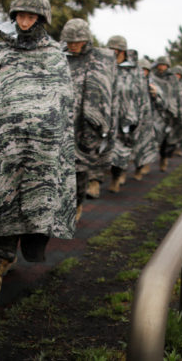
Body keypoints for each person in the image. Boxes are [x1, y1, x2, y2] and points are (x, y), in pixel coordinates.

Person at [0, 0, 76, 301]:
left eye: (31, 16)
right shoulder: (1, 54)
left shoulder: (55, 57)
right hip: (6, 144)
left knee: (33, 201)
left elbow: (62, 101)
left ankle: (12, 255)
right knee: (4, 197)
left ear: (41, 20)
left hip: (41, 148)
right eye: (20, 15)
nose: (24, 21)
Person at [61, 18, 116, 221]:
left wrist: (99, 121)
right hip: (60, 120)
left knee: (80, 168)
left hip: (85, 124)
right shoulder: (57, 57)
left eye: (78, 41)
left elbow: (106, 91)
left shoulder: (99, 60)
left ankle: (77, 204)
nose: (73, 45)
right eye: (69, 41)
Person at [106, 36, 140, 193]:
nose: (114, 53)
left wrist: (134, 116)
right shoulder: (103, 66)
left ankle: (116, 177)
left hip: (125, 116)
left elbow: (139, 95)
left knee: (120, 150)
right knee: (98, 150)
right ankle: (94, 182)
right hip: (105, 114)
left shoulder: (133, 70)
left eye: (117, 50)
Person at [130, 55, 158, 180]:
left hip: (146, 121)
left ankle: (138, 169)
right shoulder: (131, 82)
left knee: (143, 147)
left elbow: (161, 103)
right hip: (131, 119)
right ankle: (119, 175)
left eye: (145, 69)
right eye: (141, 69)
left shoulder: (152, 85)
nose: (143, 72)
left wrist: (155, 95)